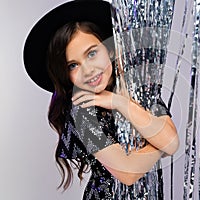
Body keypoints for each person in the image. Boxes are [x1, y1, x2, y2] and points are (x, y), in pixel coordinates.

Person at [23, 0, 179, 199]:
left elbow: (172, 142)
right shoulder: (82, 111)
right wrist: (160, 142)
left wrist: (119, 102)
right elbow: (128, 173)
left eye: (92, 54)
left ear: (110, 50)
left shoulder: (140, 89)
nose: (88, 70)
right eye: (73, 65)